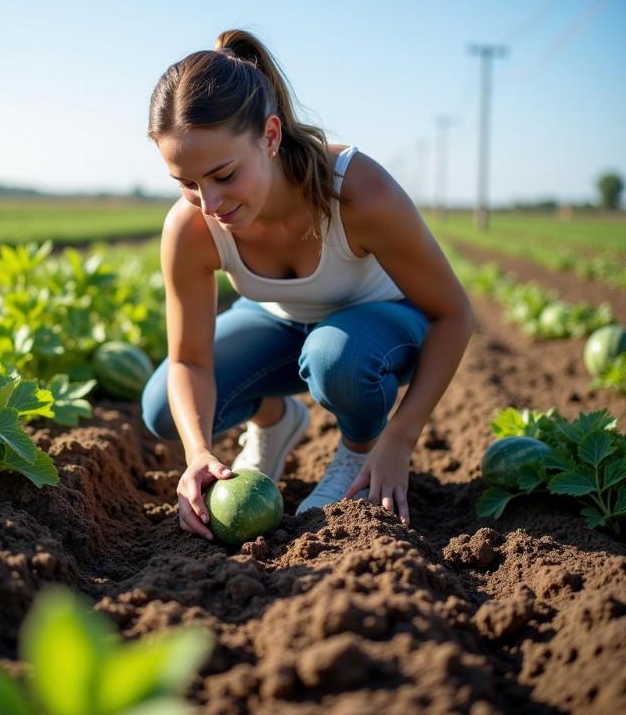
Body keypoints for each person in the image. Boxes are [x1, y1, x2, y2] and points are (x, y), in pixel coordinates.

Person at [141, 29, 474, 542]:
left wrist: (399, 441)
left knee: (335, 358)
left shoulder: (359, 191)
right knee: (165, 406)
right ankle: (276, 420)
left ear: (270, 136)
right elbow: (189, 361)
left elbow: (454, 315)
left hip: (379, 324)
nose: (208, 203)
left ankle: (359, 449)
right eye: (186, 183)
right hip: (279, 323)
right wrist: (198, 452)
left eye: (224, 175)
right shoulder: (189, 226)